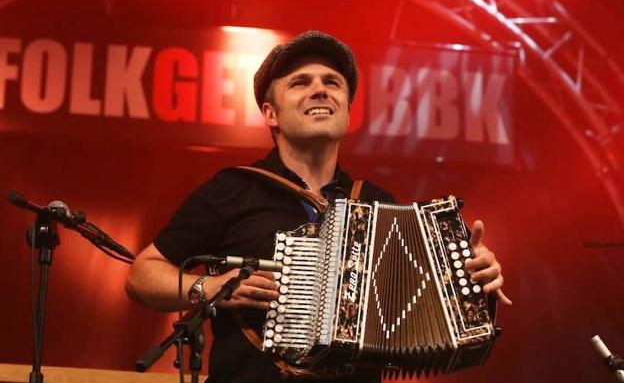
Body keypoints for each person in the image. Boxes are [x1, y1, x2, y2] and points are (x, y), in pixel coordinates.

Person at [125, 30, 511, 383]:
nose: (320, 90)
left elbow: (422, 313)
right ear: (270, 113)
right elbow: (143, 274)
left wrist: (472, 279)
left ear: (347, 109)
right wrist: (208, 286)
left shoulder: (379, 205)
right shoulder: (233, 189)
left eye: (332, 83)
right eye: (300, 83)